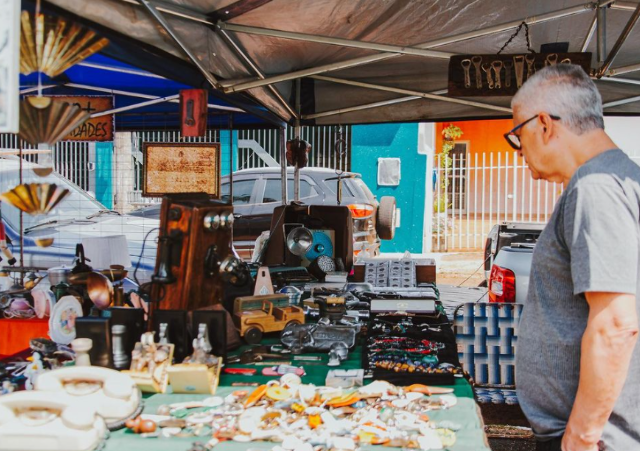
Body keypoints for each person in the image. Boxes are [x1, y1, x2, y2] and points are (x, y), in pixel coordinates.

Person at [506, 64, 640, 451]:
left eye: (519, 134)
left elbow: (616, 324)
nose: (519, 151)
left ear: (544, 125)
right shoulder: (618, 178)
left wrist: (580, 436)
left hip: (596, 440)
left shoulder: (595, 188)